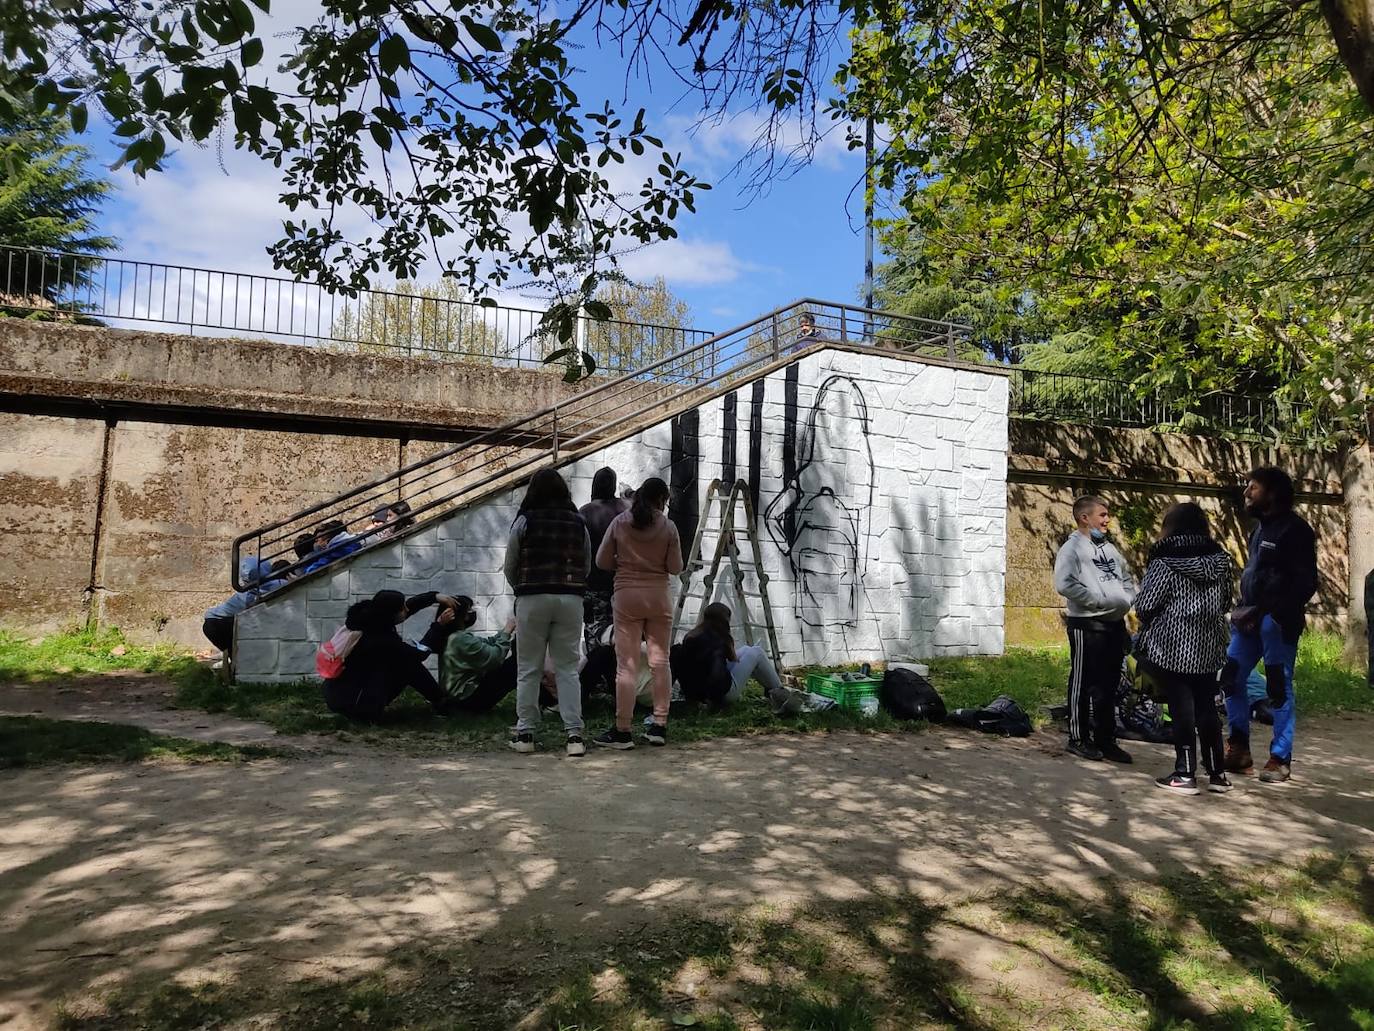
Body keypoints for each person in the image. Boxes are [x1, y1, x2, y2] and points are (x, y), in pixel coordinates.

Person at [1223, 467, 1318, 784]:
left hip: (1276, 625)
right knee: (1230, 679)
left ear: (1273, 492)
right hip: (1246, 622)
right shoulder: (1257, 531)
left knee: (1278, 687)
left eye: (1253, 487)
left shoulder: (1297, 531)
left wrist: (1274, 615)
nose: (1247, 492)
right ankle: (1238, 750)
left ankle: (1280, 758)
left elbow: (1306, 583)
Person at [1132, 503, 1234, 795]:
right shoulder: (1220, 560)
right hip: (1209, 643)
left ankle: (1184, 773)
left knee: (1181, 708)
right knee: (1207, 706)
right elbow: (1226, 601)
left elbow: (1146, 605)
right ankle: (1217, 774)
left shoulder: (1164, 561)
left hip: (1172, 644)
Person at [503, 467, 591, 757]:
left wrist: (522, 588)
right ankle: (574, 736)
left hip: (532, 597)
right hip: (570, 599)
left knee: (528, 667)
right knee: (567, 668)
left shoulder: (525, 520)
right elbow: (587, 565)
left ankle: (526, 731)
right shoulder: (578, 521)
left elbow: (510, 565)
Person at [594, 476, 684, 749]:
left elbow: (601, 560)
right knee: (660, 663)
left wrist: (624, 561)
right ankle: (659, 725)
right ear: (663, 500)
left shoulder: (620, 522)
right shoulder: (668, 527)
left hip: (627, 596)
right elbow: (676, 567)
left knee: (627, 665)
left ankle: (622, 730)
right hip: (658, 597)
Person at [1053, 494, 1136, 764]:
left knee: (1109, 685)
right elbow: (1064, 583)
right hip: (1086, 625)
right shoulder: (1072, 549)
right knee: (1083, 682)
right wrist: (1098, 601)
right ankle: (1078, 738)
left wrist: (1125, 599)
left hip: (1114, 625)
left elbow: (1126, 577)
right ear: (1084, 518)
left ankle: (1105, 738)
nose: (1107, 519)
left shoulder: (1109, 550)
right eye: (1102, 515)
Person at [322, 589, 459, 721]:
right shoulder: (380, 639)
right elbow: (418, 655)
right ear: (390, 614)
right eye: (402, 608)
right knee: (409, 664)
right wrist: (439, 626)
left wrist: (434, 597)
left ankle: (440, 701)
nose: (406, 610)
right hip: (356, 705)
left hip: (336, 696)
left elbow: (406, 609)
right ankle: (442, 702)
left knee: (404, 661)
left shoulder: (366, 620)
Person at [674, 602, 794, 710]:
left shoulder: (691, 636)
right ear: (724, 621)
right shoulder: (720, 639)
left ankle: (773, 690)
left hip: (696, 692)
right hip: (721, 695)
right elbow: (728, 664)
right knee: (756, 651)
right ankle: (781, 694)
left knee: (747, 649)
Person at [439, 596, 520, 713]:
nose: (472, 614)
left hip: (456, 699)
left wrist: (506, 630)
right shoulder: (460, 640)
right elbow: (494, 657)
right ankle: (545, 701)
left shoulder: (453, 636)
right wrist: (507, 632)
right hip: (464, 701)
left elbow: (486, 644)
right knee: (514, 666)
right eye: (468, 611)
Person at [579, 467, 631, 650]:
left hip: (595, 584)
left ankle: (596, 673)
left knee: (595, 631)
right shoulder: (627, 509)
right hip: (624, 583)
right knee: (624, 633)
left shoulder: (584, 512)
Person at [202, 558, 289, 654]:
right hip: (222, 623)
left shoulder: (248, 590)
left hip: (212, 621)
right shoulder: (275, 584)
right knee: (239, 652)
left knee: (236, 653)